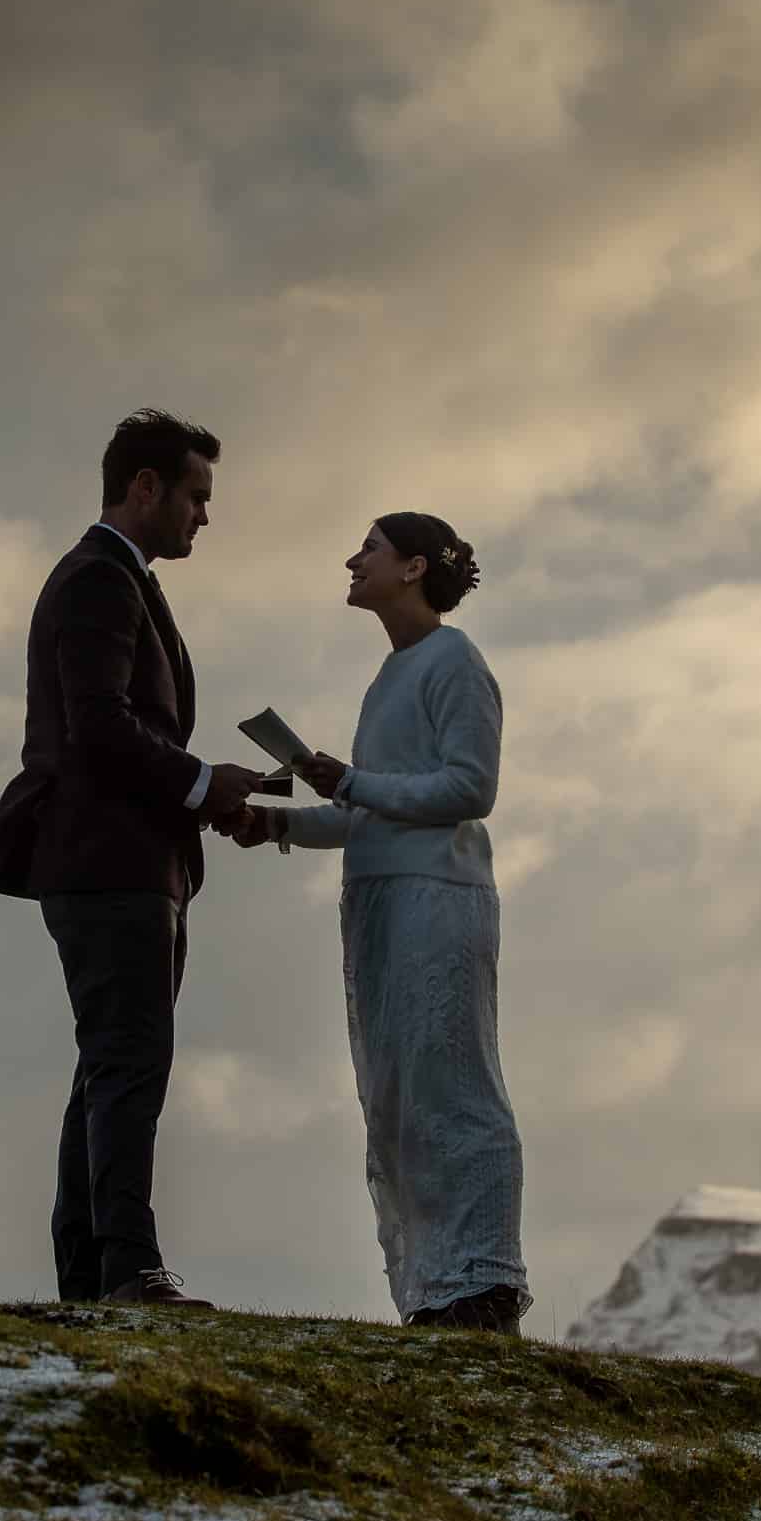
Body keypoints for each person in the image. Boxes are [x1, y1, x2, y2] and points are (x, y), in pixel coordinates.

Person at [0, 409, 266, 1307]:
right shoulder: (101, 579)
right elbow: (98, 725)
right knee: (129, 1063)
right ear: (146, 488)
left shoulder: (116, 578)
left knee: (109, 1065)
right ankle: (129, 1268)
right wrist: (200, 779)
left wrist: (205, 796)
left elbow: (114, 729)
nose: (204, 516)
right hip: (110, 865)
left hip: (125, 861)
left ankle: (92, 1273)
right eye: (196, 495)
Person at [227, 513, 531, 1334]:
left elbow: (470, 788)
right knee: (397, 1092)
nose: (352, 559)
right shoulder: (388, 675)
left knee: (453, 1079)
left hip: (438, 898)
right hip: (381, 902)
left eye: (369, 547)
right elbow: (376, 810)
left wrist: (352, 779)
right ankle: (435, 1288)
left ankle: (485, 1282)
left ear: (412, 567)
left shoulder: (455, 660)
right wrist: (281, 823)